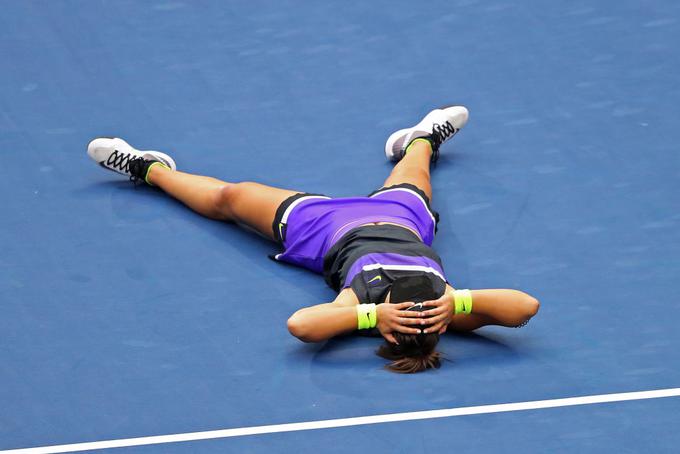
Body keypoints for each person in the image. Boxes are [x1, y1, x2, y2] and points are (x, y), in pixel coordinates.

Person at [87, 106, 540, 373]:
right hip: (400, 219)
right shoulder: (448, 309)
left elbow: (301, 326)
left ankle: (148, 168)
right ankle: (419, 138)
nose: (420, 306)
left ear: (389, 326)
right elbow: (525, 307)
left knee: (231, 197)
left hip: (322, 229)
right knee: (415, 168)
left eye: (413, 312)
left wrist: (370, 314)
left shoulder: (361, 306)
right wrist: (458, 304)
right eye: (429, 311)